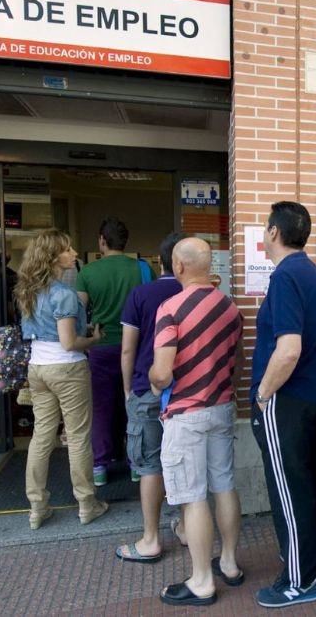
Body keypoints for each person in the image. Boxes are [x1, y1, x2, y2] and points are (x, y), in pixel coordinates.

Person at [149, 237, 244, 607]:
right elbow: (235, 360)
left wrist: (158, 382)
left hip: (186, 415)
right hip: (221, 407)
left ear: (178, 265)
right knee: (224, 486)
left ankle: (202, 580)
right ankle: (230, 564)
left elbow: (161, 370)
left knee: (192, 498)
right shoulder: (229, 307)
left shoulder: (170, 308)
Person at [251, 201, 316, 609]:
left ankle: (297, 581)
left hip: (286, 399)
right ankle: (313, 562)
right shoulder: (313, 274)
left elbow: (287, 350)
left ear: (273, 232)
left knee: (289, 489)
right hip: (309, 397)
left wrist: (264, 393)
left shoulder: (286, 277)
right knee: (309, 483)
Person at [15, 229, 108, 530]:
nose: (74, 254)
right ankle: (86, 503)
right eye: (67, 250)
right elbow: (69, 343)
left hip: (38, 368)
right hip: (67, 369)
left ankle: (37, 507)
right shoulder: (63, 295)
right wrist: (94, 339)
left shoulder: (27, 291)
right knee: (78, 436)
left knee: (42, 436)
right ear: (54, 257)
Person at [114, 232, 184, 564]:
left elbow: (128, 347)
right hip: (186, 392)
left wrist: (128, 388)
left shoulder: (141, 294)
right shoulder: (199, 294)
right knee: (186, 461)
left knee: (150, 463)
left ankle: (151, 538)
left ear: (162, 261)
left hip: (147, 388)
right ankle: (185, 526)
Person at [76, 217, 145, 486]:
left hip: (101, 348)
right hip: (136, 347)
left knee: (102, 408)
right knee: (133, 405)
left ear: (102, 241)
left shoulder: (88, 273)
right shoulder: (141, 269)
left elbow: (79, 312)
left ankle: (100, 467)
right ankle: (136, 465)